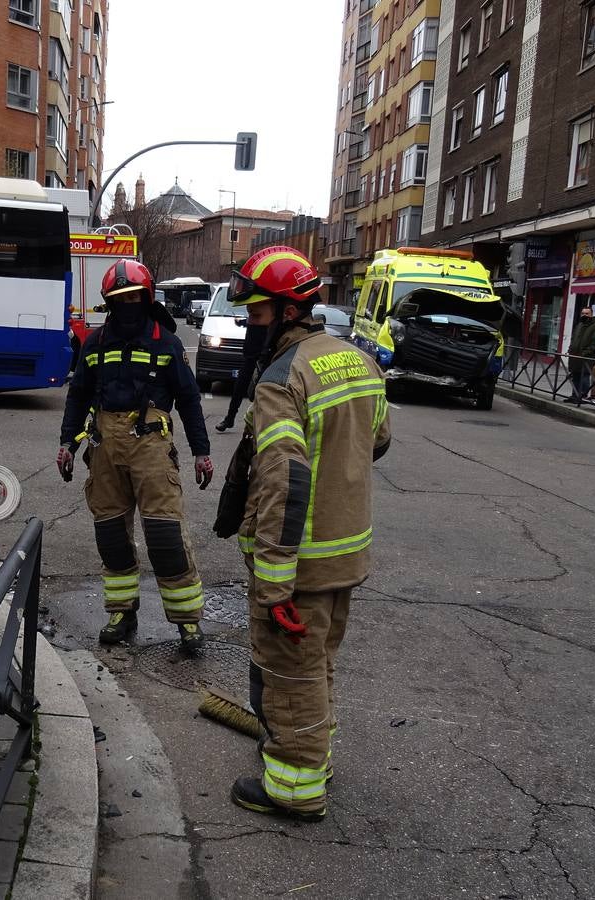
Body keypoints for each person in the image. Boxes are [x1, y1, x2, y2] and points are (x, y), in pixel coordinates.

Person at [224, 246, 391, 822]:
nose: (250, 324)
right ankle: (312, 757)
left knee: (289, 670)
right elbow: (380, 440)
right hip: (346, 553)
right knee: (318, 662)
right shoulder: (359, 361)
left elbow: (283, 481)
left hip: (298, 561)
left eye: (257, 313)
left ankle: (294, 789)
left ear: (289, 310)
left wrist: (273, 582)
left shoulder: (280, 378)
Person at [58, 259, 213, 651]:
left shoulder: (167, 342)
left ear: (146, 298)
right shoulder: (94, 344)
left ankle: (187, 623)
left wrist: (202, 452)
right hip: (105, 447)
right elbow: (77, 397)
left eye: (133, 298)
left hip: (151, 446)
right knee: (111, 534)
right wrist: (67, 444)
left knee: (165, 536)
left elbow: (190, 400)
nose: (127, 305)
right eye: (119, 299)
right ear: (110, 302)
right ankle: (121, 612)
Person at [216, 321, 269, 432]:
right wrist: (243, 322)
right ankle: (229, 419)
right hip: (249, 357)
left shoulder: (270, 320)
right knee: (238, 389)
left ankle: (260, 423)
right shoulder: (254, 318)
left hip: (264, 359)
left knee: (262, 391)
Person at [565, 306, 595, 402]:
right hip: (575, 356)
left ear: (591, 314)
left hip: (586, 357)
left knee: (584, 376)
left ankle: (582, 396)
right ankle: (574, 395)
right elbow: (574, 339)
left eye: (587, 313)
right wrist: (570, 349)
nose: (584, 315)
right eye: (583, 313)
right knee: (575, 376)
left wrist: (585, 352)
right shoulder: (579, 325)